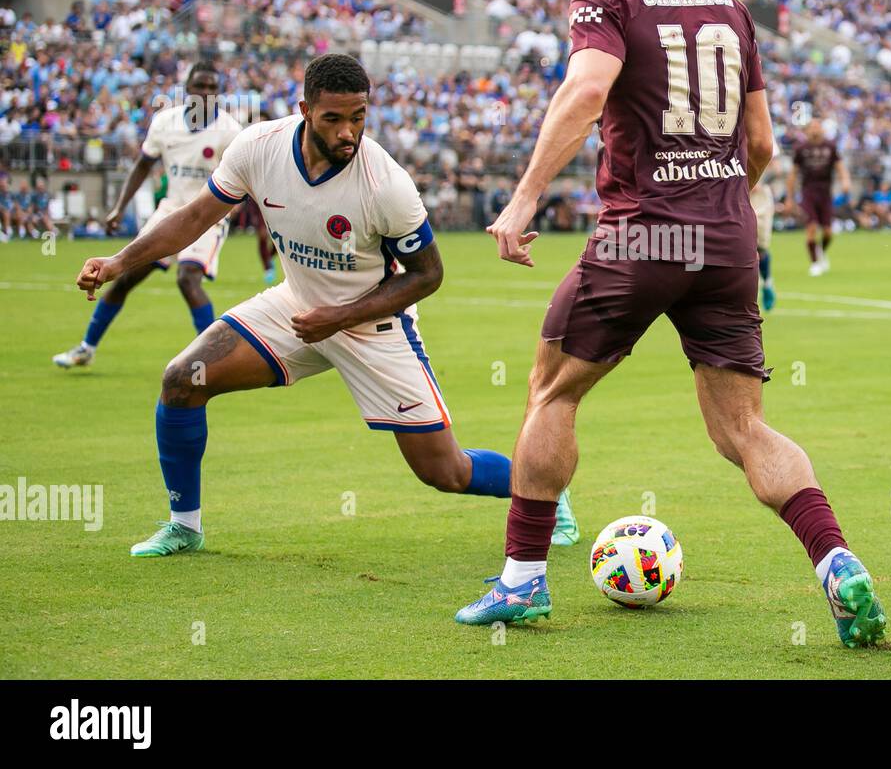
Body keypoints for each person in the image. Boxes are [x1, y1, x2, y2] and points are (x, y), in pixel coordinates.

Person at [453, 0, 886, 648]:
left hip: (645, 231)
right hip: (726, 236)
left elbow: (586, 92)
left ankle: (521, 583)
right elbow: (761, 144)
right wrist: (722, 203)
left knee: (553, 392)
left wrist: (522, 199)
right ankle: (836, 562)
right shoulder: (728, 2)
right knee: (744, 430)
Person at [72, 54, 576, 557]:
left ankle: (544, 488)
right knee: (183, 380)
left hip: (374, 325)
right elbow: (195, 216)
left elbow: (428, 276)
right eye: (334, 118)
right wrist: (118, 261)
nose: (348, 133)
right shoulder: (256, 147)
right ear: (305, 110)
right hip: (296, 308)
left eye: (358, 117)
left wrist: (340, 317)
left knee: (446, 472)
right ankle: (185, 525)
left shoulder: (387, 184)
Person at [53, 63, 244, 368]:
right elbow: (143, 165)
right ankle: (86, 348)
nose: (206, 93)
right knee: (125, 277)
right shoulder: (165, 122)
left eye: (212, 88)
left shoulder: (231, 131)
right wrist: (118, 207)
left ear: (219, 93)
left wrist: (233, 208)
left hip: (208, 213)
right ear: (187, 89)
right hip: (170, 211)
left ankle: (211, 360)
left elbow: (242, 179)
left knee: (187, 278)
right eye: (200, 86)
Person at [785, 118, 849, 275]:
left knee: (828, 232)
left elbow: (840, 167)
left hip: (826, 193)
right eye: (812, 127)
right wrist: (789, 197)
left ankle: (820, 251)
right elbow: (793, 174)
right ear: (807, 131)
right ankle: (814, 263)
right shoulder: (800, 148)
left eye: (817, 127)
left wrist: (846, 182)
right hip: (808, 192)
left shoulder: (830, 147)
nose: (815, 130)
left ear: (822, 129)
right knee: (812, 227)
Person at [750, 152, 778, 310]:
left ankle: (767, 283)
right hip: (733, 189)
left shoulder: (761, 129)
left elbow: (776, 169)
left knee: (760, 245)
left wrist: (757, 181)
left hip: (758, 197)